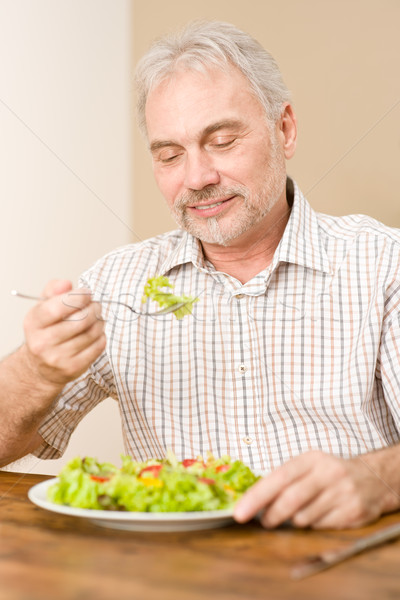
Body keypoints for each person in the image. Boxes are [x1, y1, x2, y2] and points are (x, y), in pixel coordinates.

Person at [1, 20, 400, 530]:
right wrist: (35, 370)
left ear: (285, 130)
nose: (196, 178)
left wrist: (377, 477)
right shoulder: (119, 285)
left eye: (223, 141)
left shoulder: (382, 265)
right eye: (170, 155)